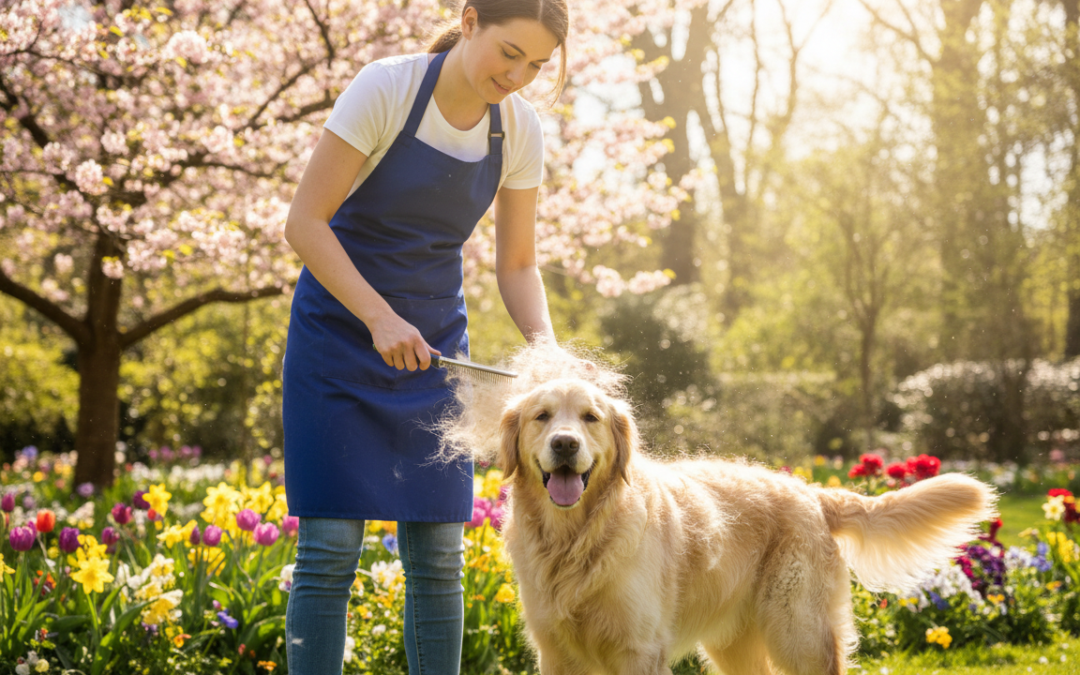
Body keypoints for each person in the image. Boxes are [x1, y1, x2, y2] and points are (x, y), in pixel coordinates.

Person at [280, 0, 569, 673]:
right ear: (470, 22)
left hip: (436, 345)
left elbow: (519, 264)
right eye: (510, 54)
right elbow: (305, 223)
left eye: (537, 65)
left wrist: (546, 350)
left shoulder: (517, 130)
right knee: (329, 547)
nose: (519, 75)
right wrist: (377, 316)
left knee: (440, 553)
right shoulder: (387, 87)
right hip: (337, 340)